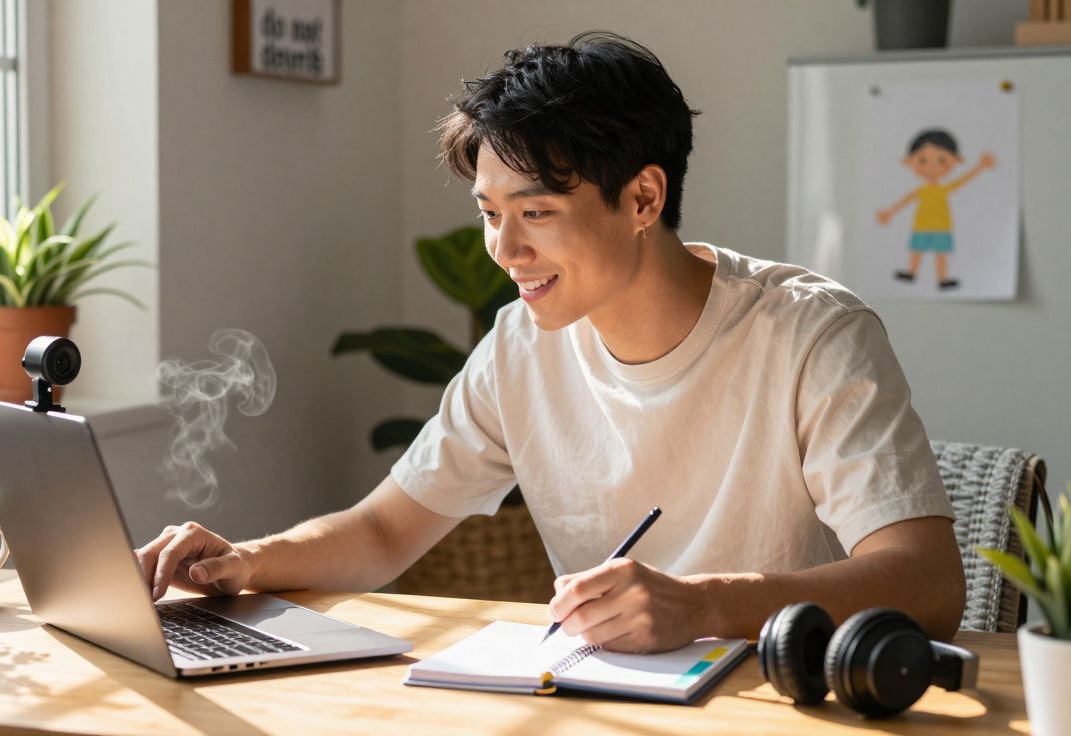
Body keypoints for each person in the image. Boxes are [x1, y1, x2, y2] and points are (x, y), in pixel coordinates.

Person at [137, 31, 965, 653]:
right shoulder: (519, 348)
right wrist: (247, 559)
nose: (504, 250)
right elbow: (387, 532)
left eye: (535, 213)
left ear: (643, 198)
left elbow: (928, 583)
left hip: (780, 698)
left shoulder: (812, 334)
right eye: (490, 215)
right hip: (604, 698)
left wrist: (703, 604)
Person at [876, 128, 996, 290]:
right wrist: (889, 212)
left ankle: (942, 278)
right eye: (923, 160)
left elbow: (963, 180)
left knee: (941, 254)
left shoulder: (944, 189)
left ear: (956, 160)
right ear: (908, 161)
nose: (932, 167)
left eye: (941, 160)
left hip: (941, 227)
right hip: (921, 226)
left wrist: (980, 167)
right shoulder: (922, 191)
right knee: (916, 250)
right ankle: (911, 272)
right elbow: (905, 201)